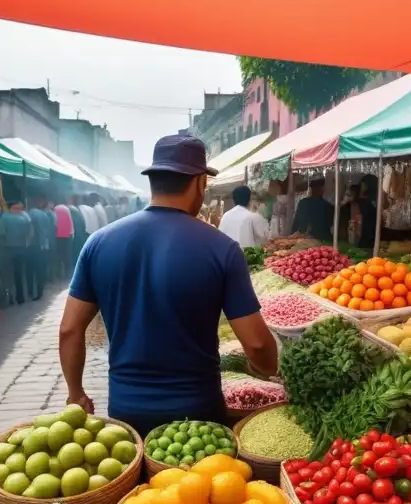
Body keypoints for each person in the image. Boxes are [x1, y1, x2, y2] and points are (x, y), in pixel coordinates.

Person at [58, 135, 278, 435]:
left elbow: (70, 330)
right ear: (200, 183)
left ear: (153, 181)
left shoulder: (98, 243)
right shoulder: (222, 249)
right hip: (198, 415)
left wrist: (76, 393)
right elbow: (256, 343)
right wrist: (264, 369)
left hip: (126, 408)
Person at [0, 200, 32, 305]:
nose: (18, 210)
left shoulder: (3, 217)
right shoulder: (25, 217)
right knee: (19, 274)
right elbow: (30, 232)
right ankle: (20, 297)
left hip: (8, 250)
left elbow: (2, 233)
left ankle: (11, 298)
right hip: (21, 249)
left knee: (9, 275)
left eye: (19, 208)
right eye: (17, 208)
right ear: (12, 208)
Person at [28, 195, 56, 300]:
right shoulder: (45, 215)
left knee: (33, 270)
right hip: (44, 245)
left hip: (35, 246)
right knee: (41, 270)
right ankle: (40, 291)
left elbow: (31, 233)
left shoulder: (31, 215)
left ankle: (33, 292)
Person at [53, 195, 75, 281]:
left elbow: (54, 223)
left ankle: (58, 275)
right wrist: (72, 234)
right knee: (67, 256)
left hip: (57, 236)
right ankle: (68, 275)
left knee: (58, 257)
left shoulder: (54, 209)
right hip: (67, 235)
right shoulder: (67, 209)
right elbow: (70, 222)